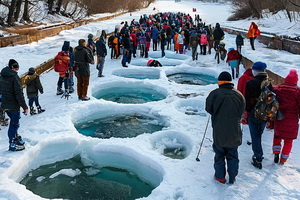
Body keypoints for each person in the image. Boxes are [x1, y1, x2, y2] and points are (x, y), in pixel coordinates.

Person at [206, 71, 245, 184]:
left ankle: (220, 177)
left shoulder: (214, 94)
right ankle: (232, 176)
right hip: (234, 131)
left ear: (220, 82)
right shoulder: (239, 95)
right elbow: (241, 111)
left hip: (219, 130)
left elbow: (209, 109)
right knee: (233, 155)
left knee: (219, 155)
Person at [244, 61, 271, 169]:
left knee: (255, 136)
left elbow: (247, 100)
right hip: (265, 113)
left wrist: (247, 111)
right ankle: (258, 153)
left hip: (254, 113)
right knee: (259, 133)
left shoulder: (251, 83)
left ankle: (258, 157)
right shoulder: (269, 82)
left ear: (255, 71)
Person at [0, 59, 28, 151]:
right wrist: (24, 106)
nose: (17, 69)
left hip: (5, 105)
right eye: (16, 68)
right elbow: (18, 93)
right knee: (14, 124)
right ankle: (12, 143)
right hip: (13, 105)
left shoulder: (2, 75)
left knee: (14, 122)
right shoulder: (14, 77)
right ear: (12, 67)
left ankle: (15, 139)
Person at [273, 69, 300, 164]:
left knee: (277, 136)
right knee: (289, 140)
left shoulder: (277, 88)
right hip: (292, 119)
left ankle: (276, 152)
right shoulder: (298, 91)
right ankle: (283, 159)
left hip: (279, 117)